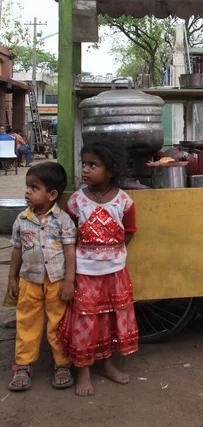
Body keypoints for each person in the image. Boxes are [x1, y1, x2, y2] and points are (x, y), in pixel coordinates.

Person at [58, 141, 138, 397]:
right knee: (85, 322)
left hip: (115, 274)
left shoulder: (124, 202)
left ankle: (108, 365)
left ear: (110, 170)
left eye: (93, 165)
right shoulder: (76, 202)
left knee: (110, 320)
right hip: (85, 274)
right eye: (84, 164)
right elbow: (69, 237)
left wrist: (110, 255)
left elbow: (129, 233)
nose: (85, 170)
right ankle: (82, 371)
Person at [8, 162, 77, 391]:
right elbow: (17, 250)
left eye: (34, 188)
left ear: (52, 194)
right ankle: (24, 365)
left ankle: (62, 364)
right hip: (29, 280)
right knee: (26, 322)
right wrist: (12, 278)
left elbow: (69, 251)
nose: (27, 192)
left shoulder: (63, 221)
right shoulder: (21, 220)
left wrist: (69, 281)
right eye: (27, 186)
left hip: (56, 280)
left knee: (58, 323)